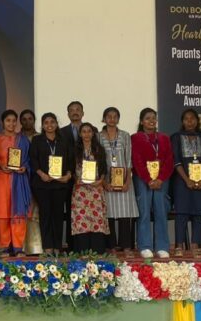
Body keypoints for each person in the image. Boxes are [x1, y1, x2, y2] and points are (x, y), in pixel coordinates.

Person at [170, 108, 201, 258]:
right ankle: (179, 245)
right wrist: (187, 179)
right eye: (186, 119)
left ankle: (196, 245)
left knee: (198, 214)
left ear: (197, 121)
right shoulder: (176, 137)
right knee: (181, 213)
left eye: (192, 119)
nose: (190, 122)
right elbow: (176, 161)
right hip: (182, 181)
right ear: (182, 121)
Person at [29, 112, 74, 254]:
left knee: (58, 215)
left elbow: (71, 160)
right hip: (42, 184)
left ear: (56, 123)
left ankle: (57, 246)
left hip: (60, 184)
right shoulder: (37, 140)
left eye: (52, 122)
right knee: (45, 215)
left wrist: (68, 175)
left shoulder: (64, 140)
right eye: (46, 122)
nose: (49, 125)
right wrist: (41, 174)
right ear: (42, 125)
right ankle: (47, 247)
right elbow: (33, 159)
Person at [131, 108, 173, 259]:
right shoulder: (135, 138)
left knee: (161, 211)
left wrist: (160, 178)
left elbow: (169, 160)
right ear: (142, 121)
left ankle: (162, 246)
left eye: (153, 118)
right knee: (144, 212)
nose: (151, 121)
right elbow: (137, 160)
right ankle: (145, 246)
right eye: (147, 118)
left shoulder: (164, 138)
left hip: (161, 180)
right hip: (143, 180)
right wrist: (148, 179)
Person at [0, 110, 31, 255]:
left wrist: (25, 167)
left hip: (19, 180)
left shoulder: (23, 140)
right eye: (8, 121)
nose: (11, 124)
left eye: (14, 121)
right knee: (2, 213)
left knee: (18, 213)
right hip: (1, 180)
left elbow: (29, 159)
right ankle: (4, 246)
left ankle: (18, 247)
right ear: (2, 122)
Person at [99, 107, 138, 254]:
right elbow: (98, 161)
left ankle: (126, 245)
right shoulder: (98, 136)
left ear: (118, 119)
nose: (112, 119)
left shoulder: (125, 135)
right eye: (109, 116)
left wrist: (128, 181)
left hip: (124, 179)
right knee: (108, 212)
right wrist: (103, 182)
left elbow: (128, 159)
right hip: (106, 180)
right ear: (104, 119)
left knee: (124, 212)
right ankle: (111, 245)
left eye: (115, 116)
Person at [71, 122, 109, 253]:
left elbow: (104, 168)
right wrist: (75, 179)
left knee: (96, 218)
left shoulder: (99, 149)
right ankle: (82, 249)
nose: (86, 134)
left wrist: (101, 180)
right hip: (80, 189)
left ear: (93, 134)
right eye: (84, 131)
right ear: (80, 134)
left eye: (89, 131)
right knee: (81, 218)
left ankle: (97, 249)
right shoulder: (75, 150)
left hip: (95, 189)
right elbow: (70, 168)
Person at [18, 108, 44, 255]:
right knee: (22, 211)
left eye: (30, 119)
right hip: (20, 178)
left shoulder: (40, 137)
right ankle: (20, 246)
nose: (27, 122)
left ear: (34, 120)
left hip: (38, 178)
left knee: (35, 211)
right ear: (20, 122)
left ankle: (36, 246)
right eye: (24, 119)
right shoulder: (16, 138)